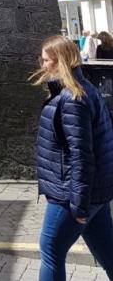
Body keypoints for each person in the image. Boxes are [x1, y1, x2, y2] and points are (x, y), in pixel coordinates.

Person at [32, 34, 113, 280]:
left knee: (51, 250)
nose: (43, 65)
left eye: (47, 60)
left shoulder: (72, 99)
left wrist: (78, 204)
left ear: (61, 61)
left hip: (72, 194)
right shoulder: (82, 90)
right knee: (108, 253)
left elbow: (81, 155)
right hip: (94, 192)